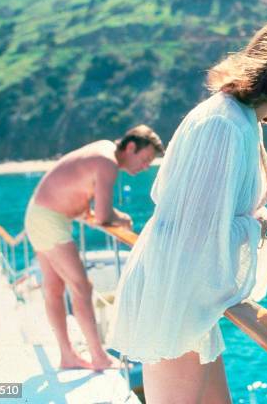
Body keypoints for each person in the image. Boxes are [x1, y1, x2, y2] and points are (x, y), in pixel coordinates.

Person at [108, 12, 267, 402]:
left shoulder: (240, 119)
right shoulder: (225, 125)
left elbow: (216, 216)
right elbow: (196, 232)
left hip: (184, 298)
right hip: (175, 301)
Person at [24, 125, 164, 371]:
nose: (145, 167)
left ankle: (67, 356)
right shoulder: (107, 163)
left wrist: (99, 211)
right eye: (144, 160)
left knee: (55, 288)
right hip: (49, 219)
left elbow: (79, 190)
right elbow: (102, 216)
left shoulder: (103, 150)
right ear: (131, 147)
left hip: (39, 213)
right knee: (81, 287)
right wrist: (123, 219)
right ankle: (98, 356)